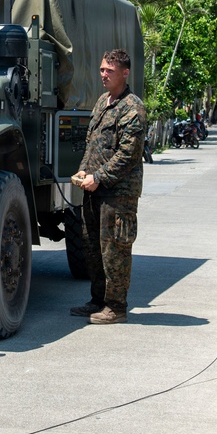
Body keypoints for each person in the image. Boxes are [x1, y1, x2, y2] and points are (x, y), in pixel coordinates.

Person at [70, 49, 147, 325]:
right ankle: (98, 299)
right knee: (92, 247)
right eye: (102, 69)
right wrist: (83, 169)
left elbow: (128, 154)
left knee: (114, 250)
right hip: (94, 189)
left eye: (109, 71)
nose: (103, 74)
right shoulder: (103, 101)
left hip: (118, 193)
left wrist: (99, 176)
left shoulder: (132, 107)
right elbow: (92, 141)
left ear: (124, 73)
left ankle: (116, 306)